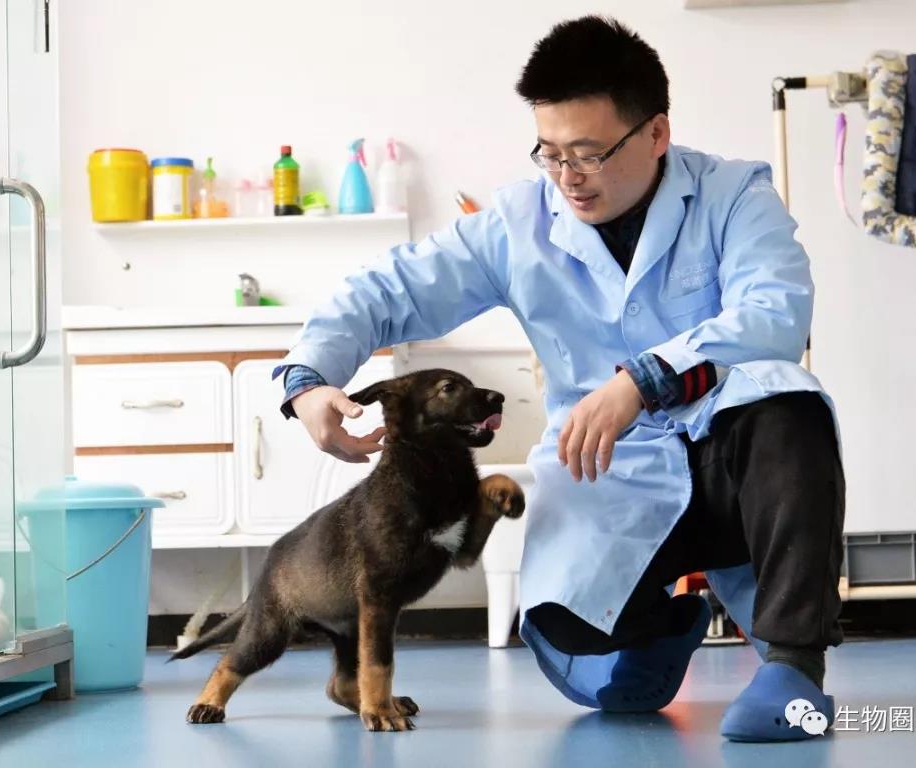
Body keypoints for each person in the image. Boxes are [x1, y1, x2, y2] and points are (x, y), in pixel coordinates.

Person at [273, 15, 845, 742]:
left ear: (656, 134)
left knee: (791, 407)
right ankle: (662, 626)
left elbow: (776, 313)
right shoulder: (518, 223)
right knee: (569, 640)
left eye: (589, 153)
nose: (568, 176)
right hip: (608, 470)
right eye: (550, 153)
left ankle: (793, 668)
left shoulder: (734, 194)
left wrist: (643, 379)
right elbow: (389, 288)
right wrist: (308, 378)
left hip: (731, 465)